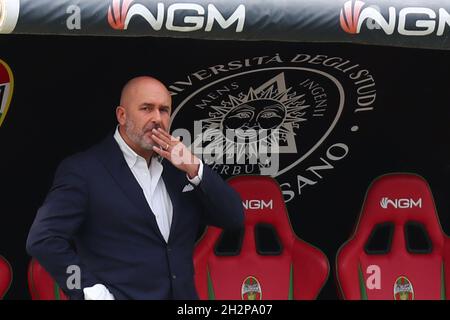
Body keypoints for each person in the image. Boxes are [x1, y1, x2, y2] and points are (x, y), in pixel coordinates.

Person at [26, 76, 244, 300]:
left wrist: (194, 167)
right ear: (122, 115)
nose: (156, 118)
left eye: (164, 110)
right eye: (146, 108)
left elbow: (234, 217)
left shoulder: (178, 170)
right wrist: (87, 289)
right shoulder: (84, 170)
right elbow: (43, 240)